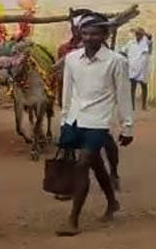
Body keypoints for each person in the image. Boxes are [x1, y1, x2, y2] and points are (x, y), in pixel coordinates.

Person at [56, 13, 134, 236]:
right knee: (96, 164)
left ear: (104, 35)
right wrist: (64, 121)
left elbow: (123, 95)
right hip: (74, 119)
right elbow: (67, 93)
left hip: (99, 121)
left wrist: (127, 126)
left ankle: (73, 220)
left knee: (83, 165)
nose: (89, 38)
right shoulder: (71, 59)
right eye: (85, 33)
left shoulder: (117, 61)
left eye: (95, 33)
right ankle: (112, 201)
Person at [122, 28, 152, 111]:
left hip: (143, 68)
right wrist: (126, 61)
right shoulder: (131, 43)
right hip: (133, 67)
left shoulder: (146, 42)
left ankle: (144, 105)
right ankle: (132, 106)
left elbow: (150, 37)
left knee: (144, 86)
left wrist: (144, 32)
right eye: (137, 34)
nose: (138, 35)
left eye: (140, 34)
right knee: (132, 87)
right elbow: (123, 51)